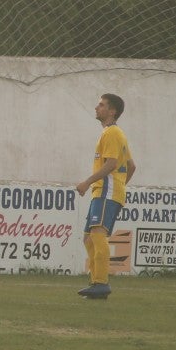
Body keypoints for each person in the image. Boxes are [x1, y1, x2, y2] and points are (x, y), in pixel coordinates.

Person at [73, 93, 136, 300]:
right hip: (106, 191)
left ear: (112, 111)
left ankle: (101, 283)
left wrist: (88, 182)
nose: (96, 107)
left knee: (98, 235)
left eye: (101, 105)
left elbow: (111, 164)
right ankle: (95, 282)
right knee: (89, 238)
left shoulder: (112, 133)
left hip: (105, 191)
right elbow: (131, 166)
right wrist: (119, 187)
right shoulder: (113, 134)